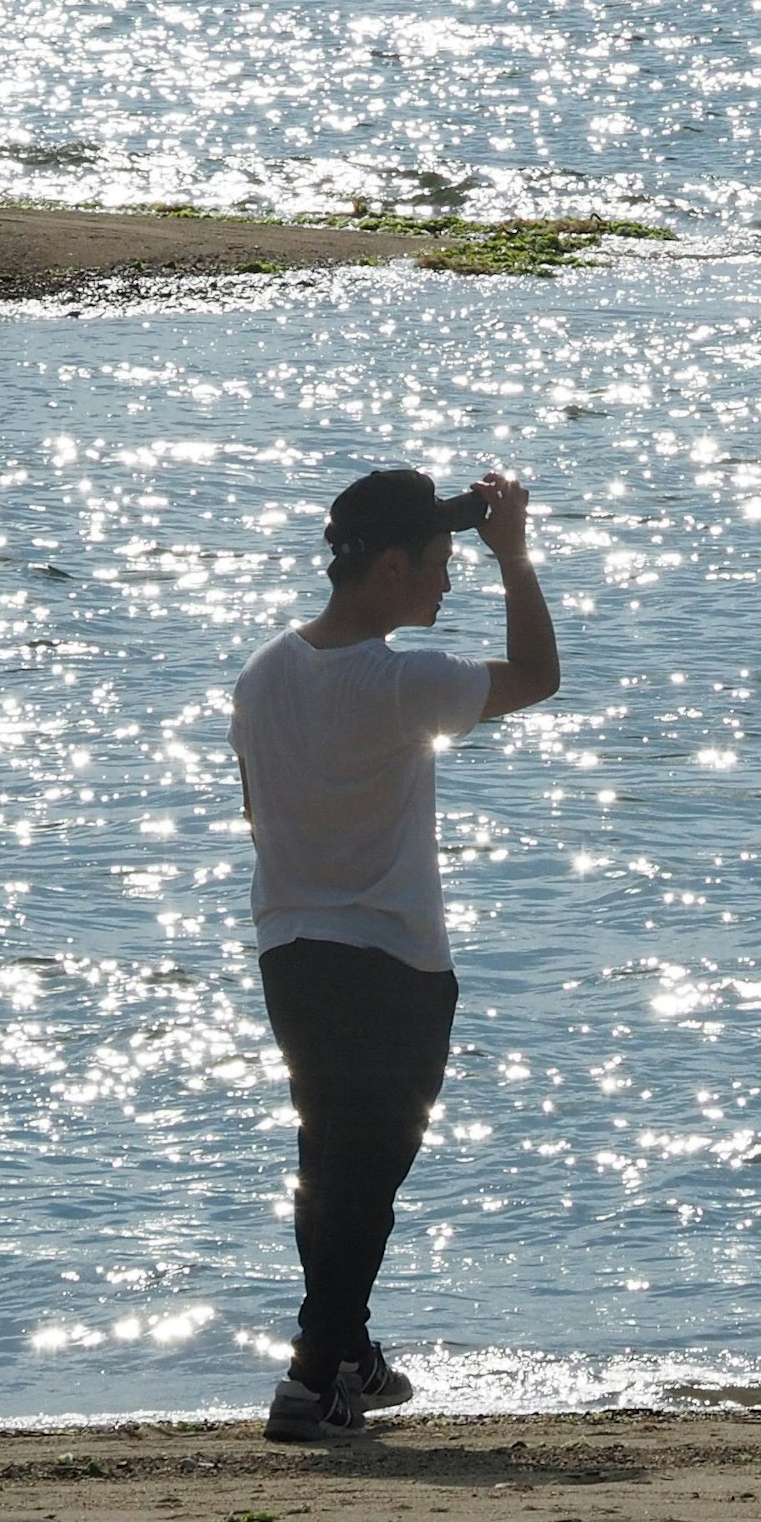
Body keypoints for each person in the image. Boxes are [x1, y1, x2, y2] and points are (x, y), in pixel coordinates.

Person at [230, 465, 559, 1442]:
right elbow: (539, 675)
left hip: (291, 951)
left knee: (329, 1158)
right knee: (365, 1174)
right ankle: (309, 1373)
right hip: (393, 965)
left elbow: (258, 812)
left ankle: (348, 1356)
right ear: (387, 567)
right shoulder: (402, 679)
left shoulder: (265, 673)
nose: (448, 581)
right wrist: (518, 557)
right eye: (439, 562)